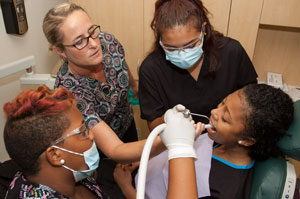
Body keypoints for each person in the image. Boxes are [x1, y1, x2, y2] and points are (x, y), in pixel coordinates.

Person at [3, 85, 199, 199]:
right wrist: (181, 148)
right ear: (55, 155)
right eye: (82, 132)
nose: (92, 136)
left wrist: (166, 140)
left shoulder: (75, 175)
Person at [114, 83, 294, 199]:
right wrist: (142, 159)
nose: (215, 112)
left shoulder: (225, 191)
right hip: (141, 171)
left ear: (246, 140)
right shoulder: (218, 137)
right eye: (223, 103)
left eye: (225, 118)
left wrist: (126, 188)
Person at [42, 3, 140, 197]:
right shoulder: (69, 93)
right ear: (61, 51)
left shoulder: (107, 41)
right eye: (80, 41)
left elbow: (121, 60)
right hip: (99, 149)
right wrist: (168, 141)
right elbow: (114, 149)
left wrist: (134, 86)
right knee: (111, 186)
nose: (94, 44)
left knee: (135, 174)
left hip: (125, 122)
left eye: (92, 32)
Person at [139, 0, 258, 132]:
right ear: (160, 40)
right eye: (171, 48)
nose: (182, 54)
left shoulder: (232, 53)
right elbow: (154, 127)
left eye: (190, 45)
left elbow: (252, 104)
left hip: (227, 144)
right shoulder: (151, 69)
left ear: (203, 29)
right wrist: (167, 119)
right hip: (180, 144)